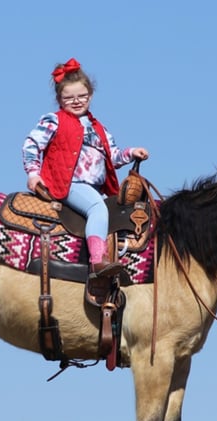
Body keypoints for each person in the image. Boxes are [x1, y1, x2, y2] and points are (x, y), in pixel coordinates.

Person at [22, 58, 149, 279]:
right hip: (69, 183)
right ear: (59, 100)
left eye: (81, 96)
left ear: (90, 95)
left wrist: (131, 153)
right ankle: (98, 261)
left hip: (96, 187)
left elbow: (113, 156)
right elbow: (32, 144)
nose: (76, 101)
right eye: (69, 97)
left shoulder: (99, 127)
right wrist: (33, 173)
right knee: (97, 209)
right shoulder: (53, 121)